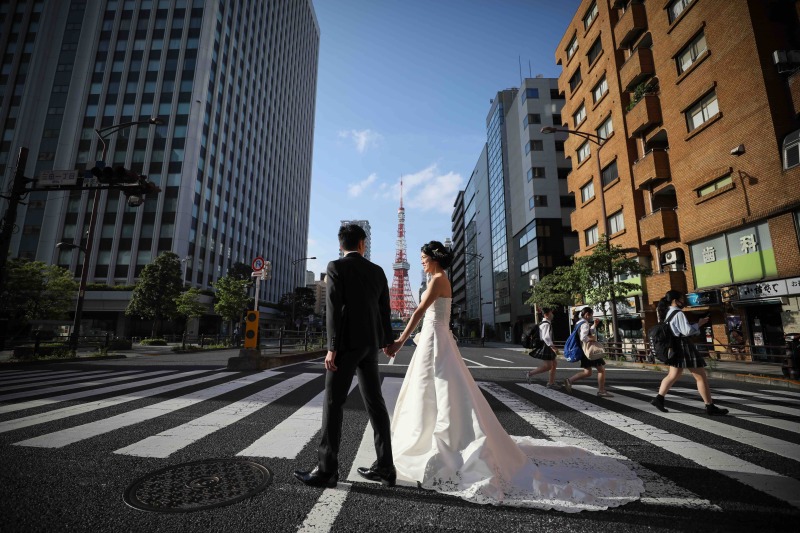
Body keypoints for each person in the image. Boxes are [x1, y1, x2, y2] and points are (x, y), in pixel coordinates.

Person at [385, 241, 643, 510]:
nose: (422, 261)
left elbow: (418, 311)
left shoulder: (437, 279)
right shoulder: (440, 278)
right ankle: (438, 437)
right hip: (435, 338)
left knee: (436, 387)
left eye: (424, 257)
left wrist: (399, 341)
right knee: (441, 389)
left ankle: (434, 440)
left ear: (435, 258)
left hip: (435, 339)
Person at [294, 224, 397, 488]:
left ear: (341, 245)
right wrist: (387, 340)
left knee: (333, 402)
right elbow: (384, 309)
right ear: (363, 244)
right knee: (376, 403)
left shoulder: (336, 267)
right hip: (370, 345)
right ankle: (386, 467)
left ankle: (327, 470)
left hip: (346, 345)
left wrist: (332, 347)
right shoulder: (377, 271)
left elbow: (333, 308)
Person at [651, 290, 729, 416]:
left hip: (675, 347)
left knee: (673, 375)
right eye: (682, 298)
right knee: (700, 377)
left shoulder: (668, 313)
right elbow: (686, 331)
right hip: (683, 346)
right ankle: (710, 406)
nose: (683, 301)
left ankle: (659, 399)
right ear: (675, 300)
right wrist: (699, 324)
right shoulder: (678, 313)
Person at [562, 307, 614, 397]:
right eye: (591, 315)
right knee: (601, 370)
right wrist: (592, 338)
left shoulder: (578, 323)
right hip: (590, 351)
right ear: (587, 314)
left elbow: (587, 332)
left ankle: (569, 380)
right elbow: (583, 337)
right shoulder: (585, 324)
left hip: (584, 352)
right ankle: (601, 391)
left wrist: (594, 325)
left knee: (587, 372)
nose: (591, 317)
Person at [524, 308, 560, 388]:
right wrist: (552, 346)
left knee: (554, 364)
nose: (552, 315)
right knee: (548, 366)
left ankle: (551, 382)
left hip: (546, 345)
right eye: (551, 313)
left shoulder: (544, 323)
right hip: (546, 346)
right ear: (546, 315)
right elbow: (546, 337)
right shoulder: (546, 324)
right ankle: (530, 373)